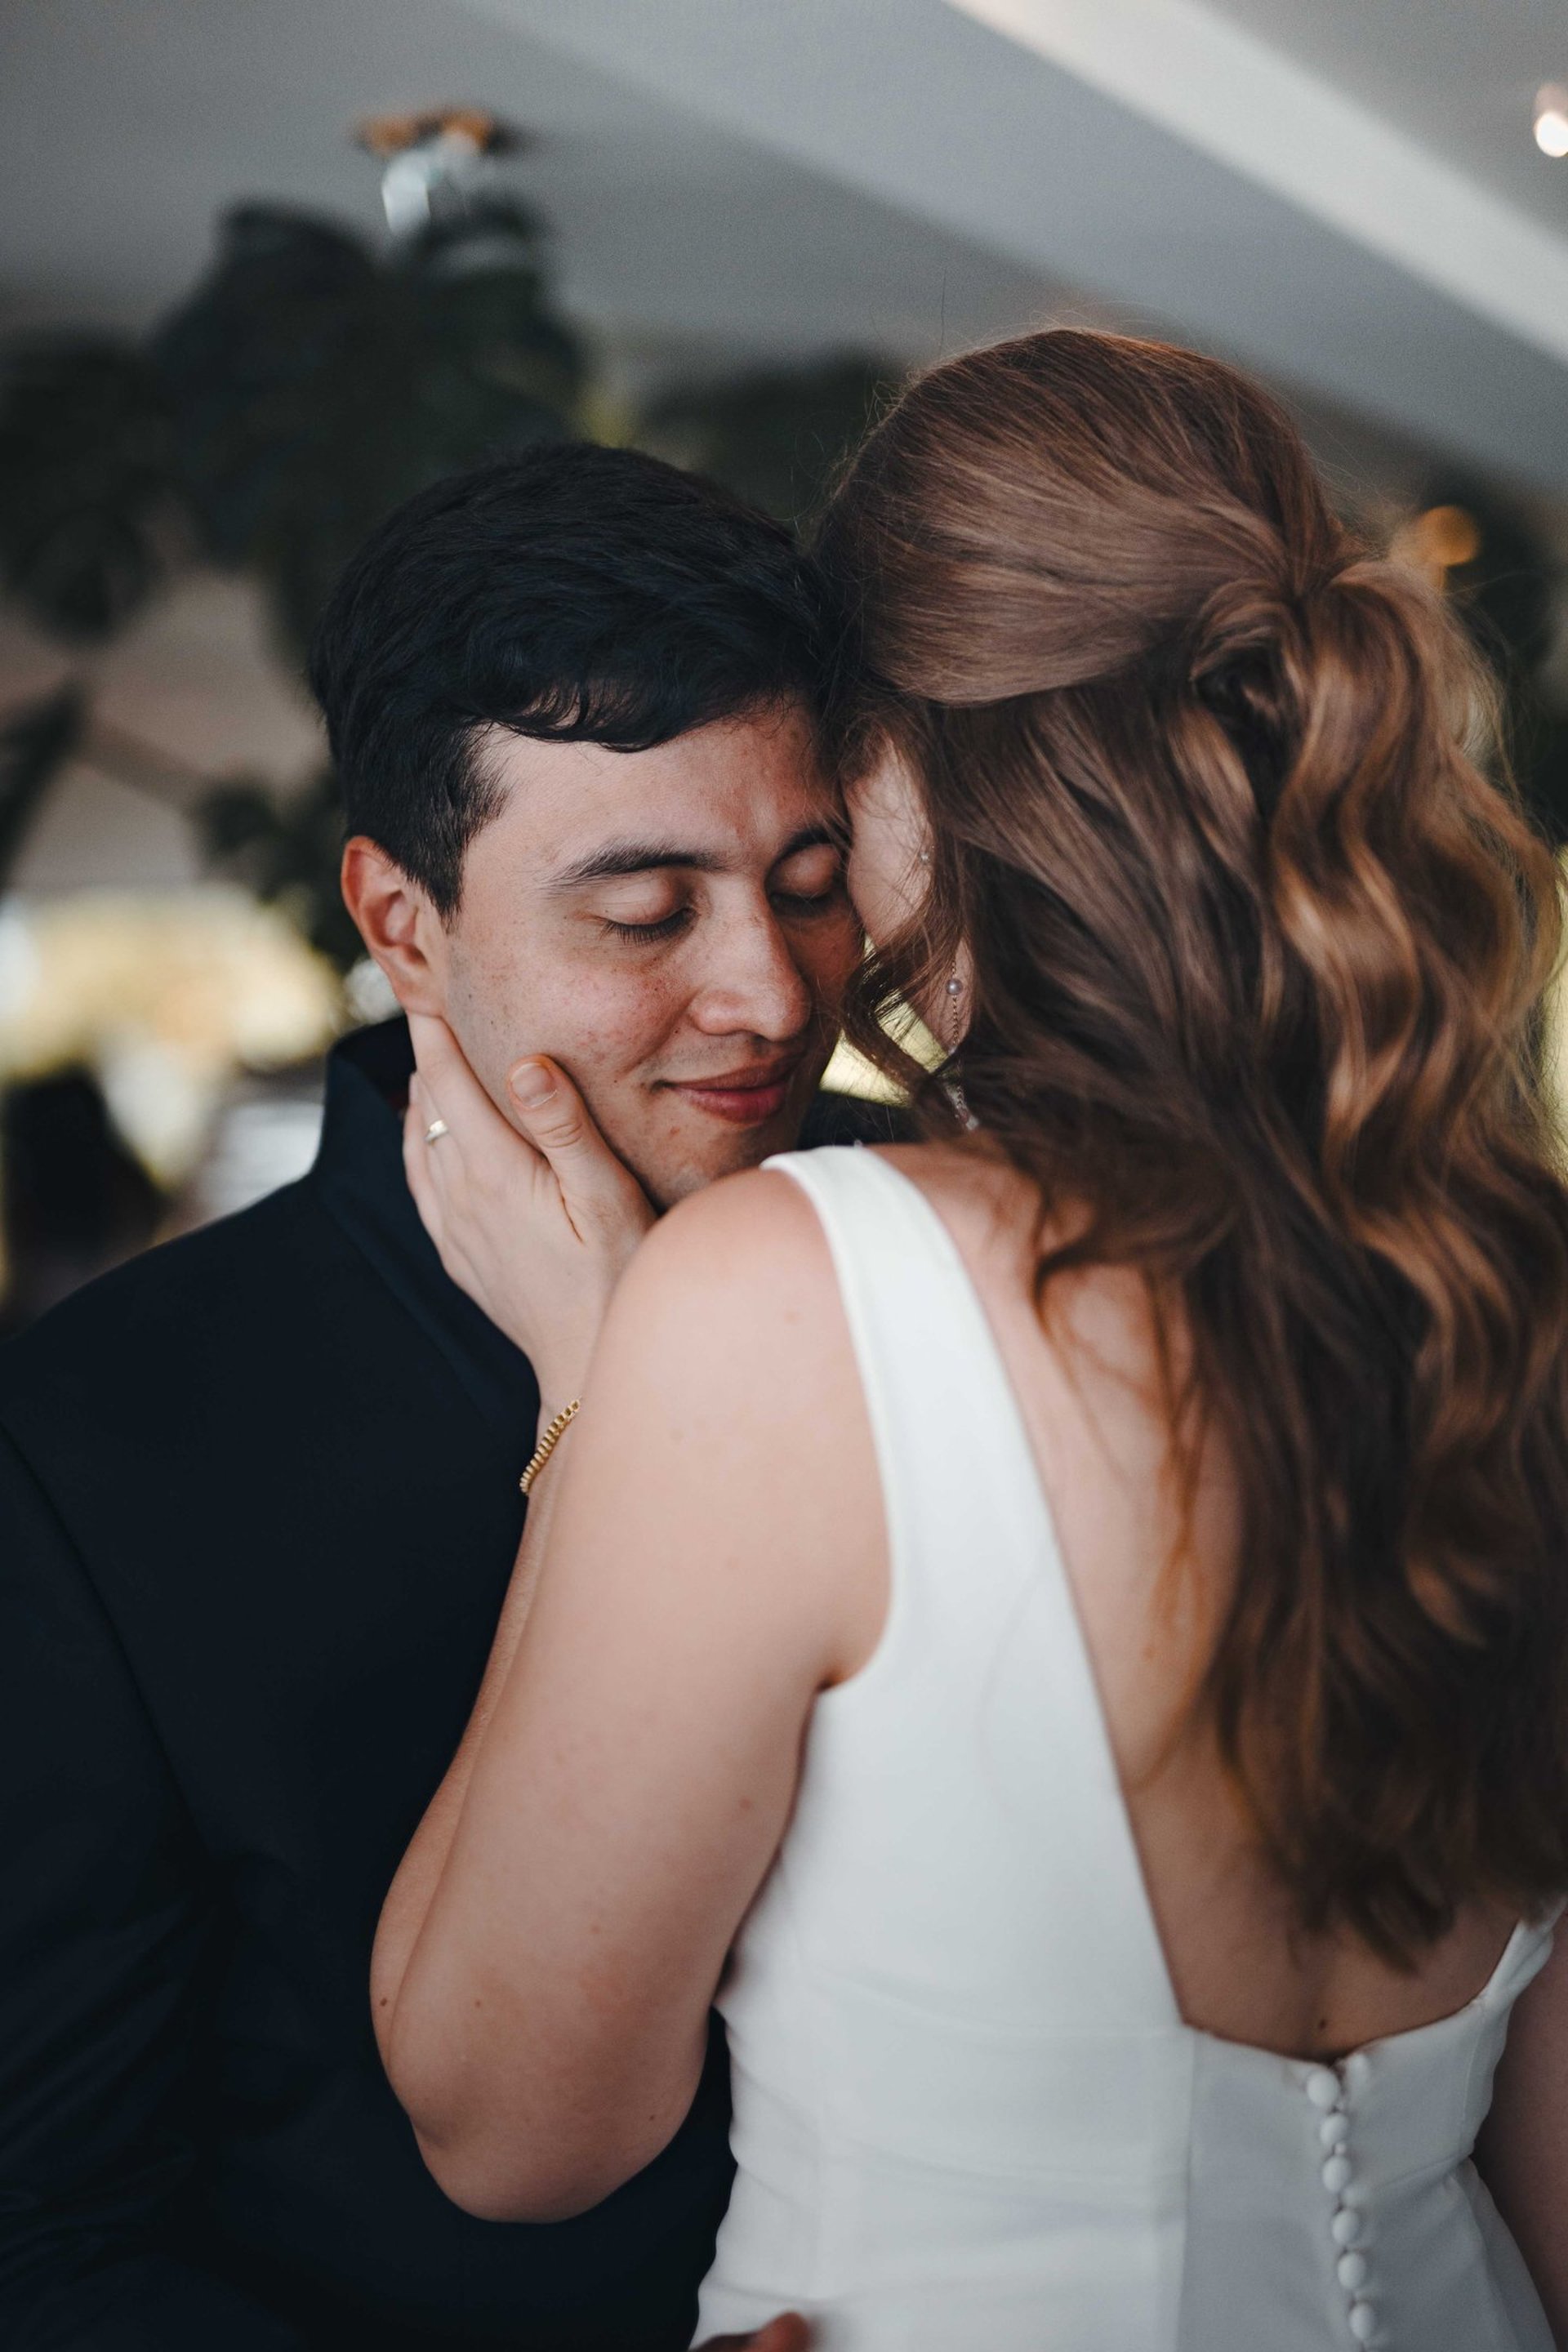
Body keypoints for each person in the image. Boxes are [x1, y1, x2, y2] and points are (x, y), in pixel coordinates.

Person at [374, 332, 1568, 2351]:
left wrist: (594, 1388)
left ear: (914, 768)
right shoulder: (1508, 1294)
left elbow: (514, 2124)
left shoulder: (796, 1296)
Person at [0, 443, 884, 2350]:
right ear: (401, 921)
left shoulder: (968, 1247)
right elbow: (52, 2239)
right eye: (647, 913)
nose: (771, 992)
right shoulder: (91, 1443)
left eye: (812, 884)